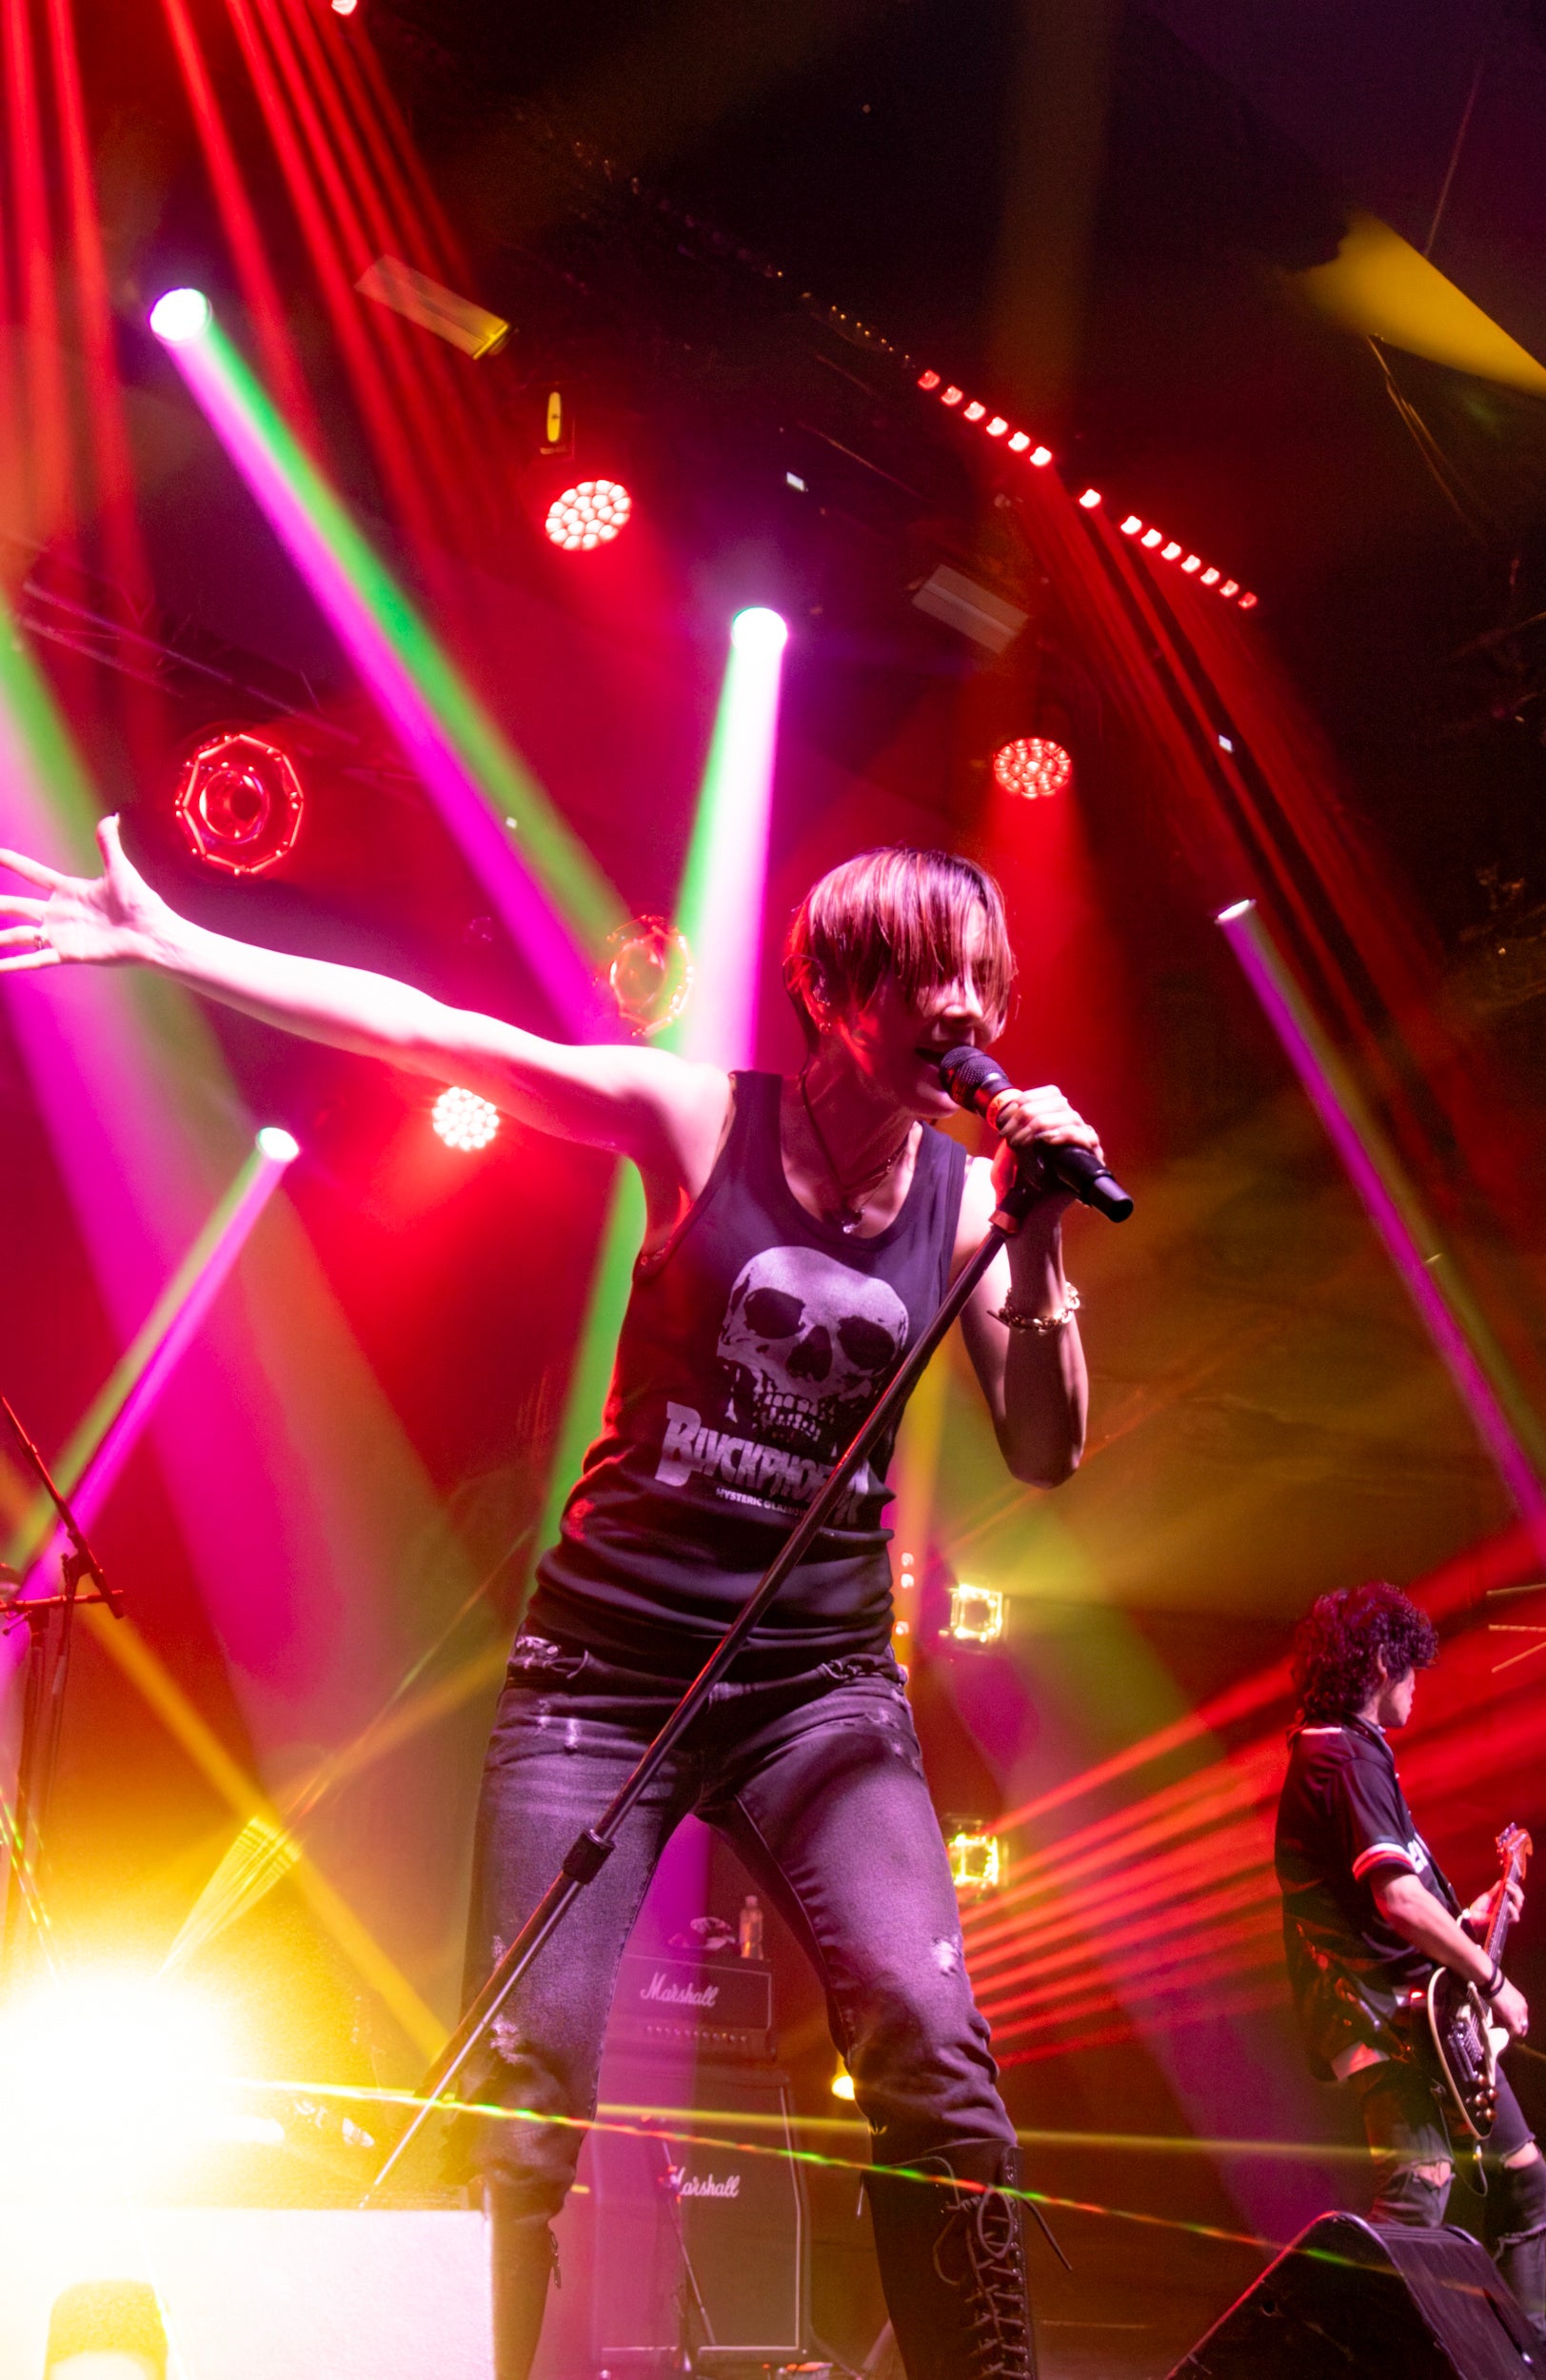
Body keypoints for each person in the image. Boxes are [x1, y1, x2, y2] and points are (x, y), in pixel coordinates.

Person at [2, 824, 1097, 2380]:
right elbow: (428, 1032)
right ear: (838, 990)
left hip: (818, 1695)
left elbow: (1045, 1449)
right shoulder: (696, 1119)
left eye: (988, 978)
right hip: (605, 1678)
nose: (971, 1010)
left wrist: (1035, 1243)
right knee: (517, 2099)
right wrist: (172, 941)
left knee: (934, 2059)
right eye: (936, 976)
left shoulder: (976, 1209)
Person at [1275, 1580, 1546, 2362]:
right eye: (1411, 1667)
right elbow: (1396, 1902)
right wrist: (1492, 1981)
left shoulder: (1355, 1751)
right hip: (1372, 2010)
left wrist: (1467, 1921)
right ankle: (1338, 2360)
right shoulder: (1336, 1752)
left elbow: (1398, 1905)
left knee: (1523, 2178)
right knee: (1417, 2189)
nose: (1416, 1686)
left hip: (1414, 2009)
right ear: (1378, 1660)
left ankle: (1523, 2363)